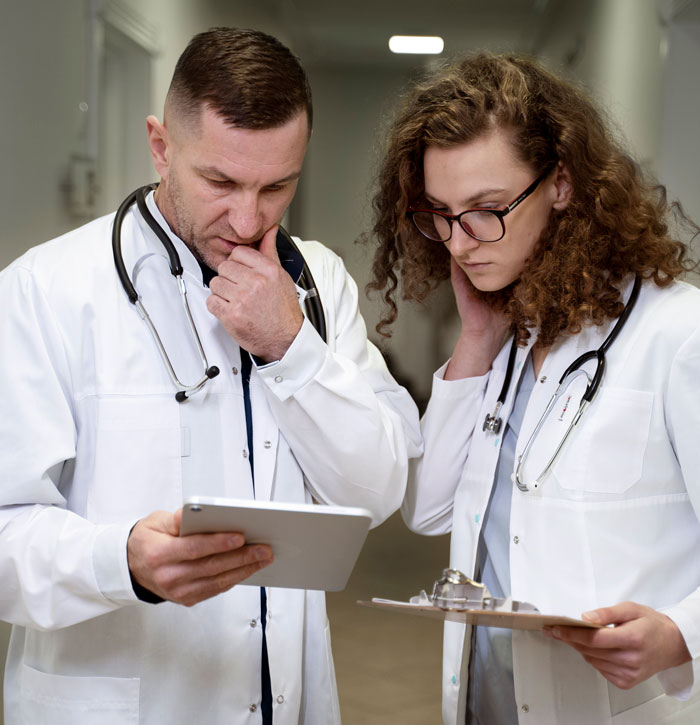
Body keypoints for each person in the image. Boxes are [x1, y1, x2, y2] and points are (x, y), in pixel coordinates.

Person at [0, 27, 421, 724]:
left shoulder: (319, 284)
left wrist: (294, 347)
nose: (249, 217)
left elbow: (375, 491)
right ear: (161, 146)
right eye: (221, 182)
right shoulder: (45, 293)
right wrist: (120, 561)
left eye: (277, 186)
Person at [366, 52, 700, 724]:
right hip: (486, 697)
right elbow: (427, 508)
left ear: (564, 184)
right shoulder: (511, 335)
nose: (461, 242)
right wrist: (476, 345)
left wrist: (679, 633)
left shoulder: (677, 334)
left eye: (487, 209)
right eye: (442, 213)